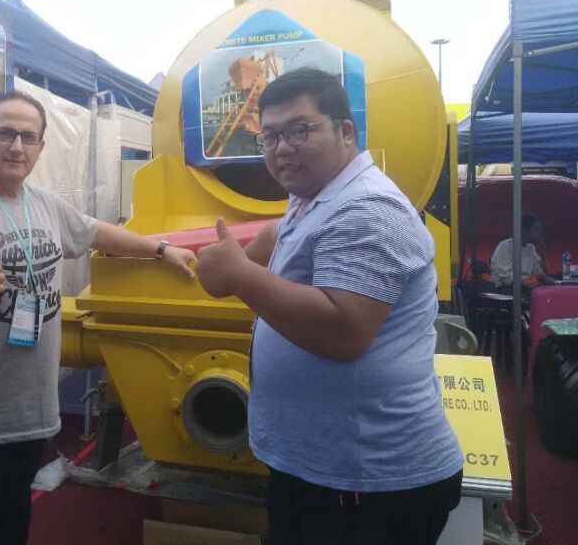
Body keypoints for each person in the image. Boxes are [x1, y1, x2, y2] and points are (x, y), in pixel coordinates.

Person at [0, 91, 196, 545]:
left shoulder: (45, 204)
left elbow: (96, 232)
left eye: (28, 137)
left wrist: (163, 250)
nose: (17, 146)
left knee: (13, 530)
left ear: (41, 147)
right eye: (5, 133)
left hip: (29, 416)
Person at [195, 68, 463, 545]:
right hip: (323, 471)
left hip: (368, 484)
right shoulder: (313, 196)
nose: (281, 148)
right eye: (270, 136)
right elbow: (287, 233)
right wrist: (254, 251)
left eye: (299, 130)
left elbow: (344, 332)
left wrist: (239, 275)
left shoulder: (368, 209)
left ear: (346, 132)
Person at [489, 215, 555, 288]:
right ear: (524, 231)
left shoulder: (531, 248)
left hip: (522, 288)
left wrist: (543, 253)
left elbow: (540, 274)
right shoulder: (505, 246)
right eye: (536, 229)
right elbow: (505, 277)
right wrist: (528, 285)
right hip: (503, 289)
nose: (539, 232)